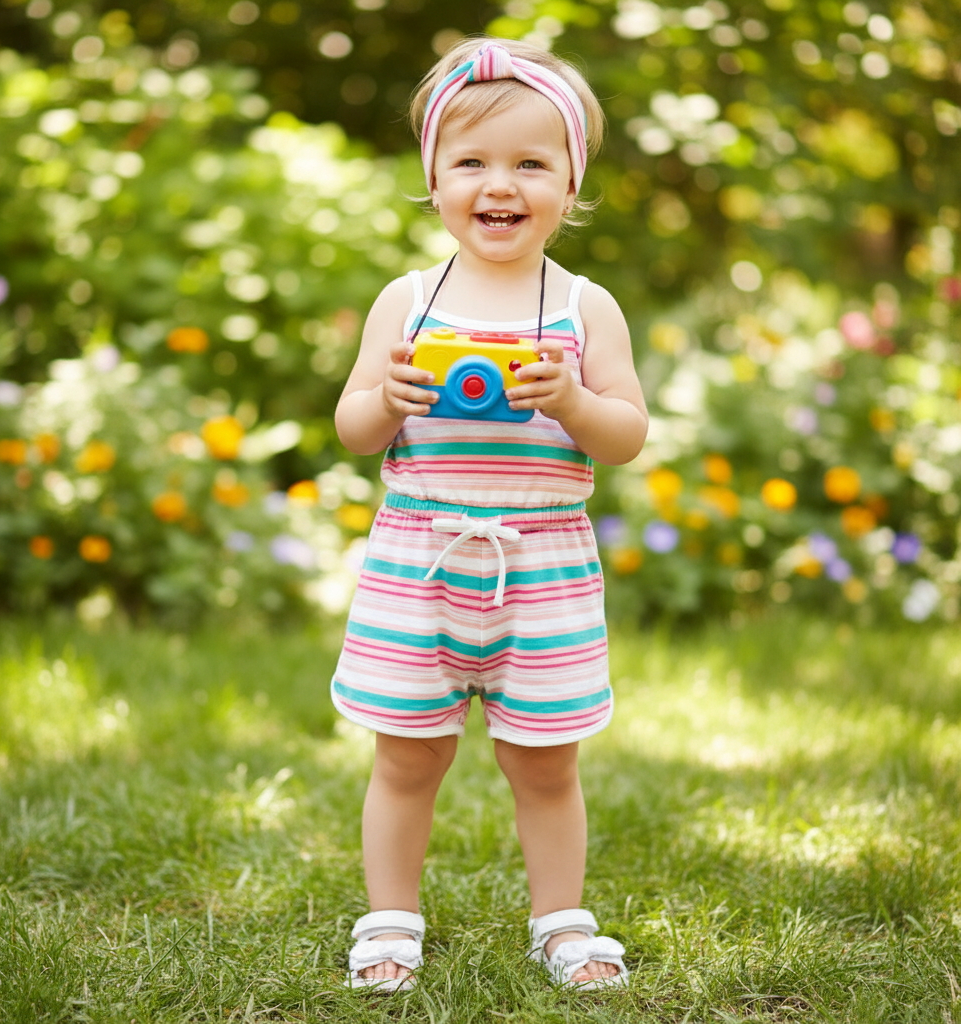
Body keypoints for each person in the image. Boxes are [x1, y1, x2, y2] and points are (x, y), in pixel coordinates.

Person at [331, 36, 648, 993]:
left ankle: (562, 922)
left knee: (545, 763)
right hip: (418, 560)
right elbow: (352, 430)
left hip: (542, 570)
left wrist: (572, 402)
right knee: (407, 756)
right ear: (434, 178)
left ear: (569, 184)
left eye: (529, 163)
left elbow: (626, 434)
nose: (498, 184)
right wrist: (388, 394)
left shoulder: (587, 309)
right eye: (471, 161)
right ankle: (390, 922)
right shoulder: (407, 300)